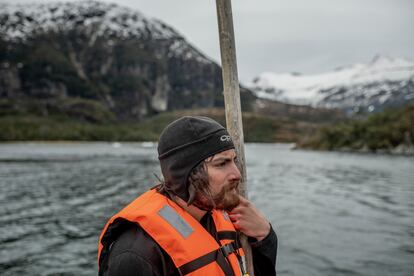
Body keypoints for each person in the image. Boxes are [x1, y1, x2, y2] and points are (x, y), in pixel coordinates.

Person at [98, 116, 277, 276]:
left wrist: (265, 238)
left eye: (234, 161)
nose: (237, 173)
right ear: (185, 174)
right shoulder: (137, 254)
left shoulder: (228, 219)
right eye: (222, 163)